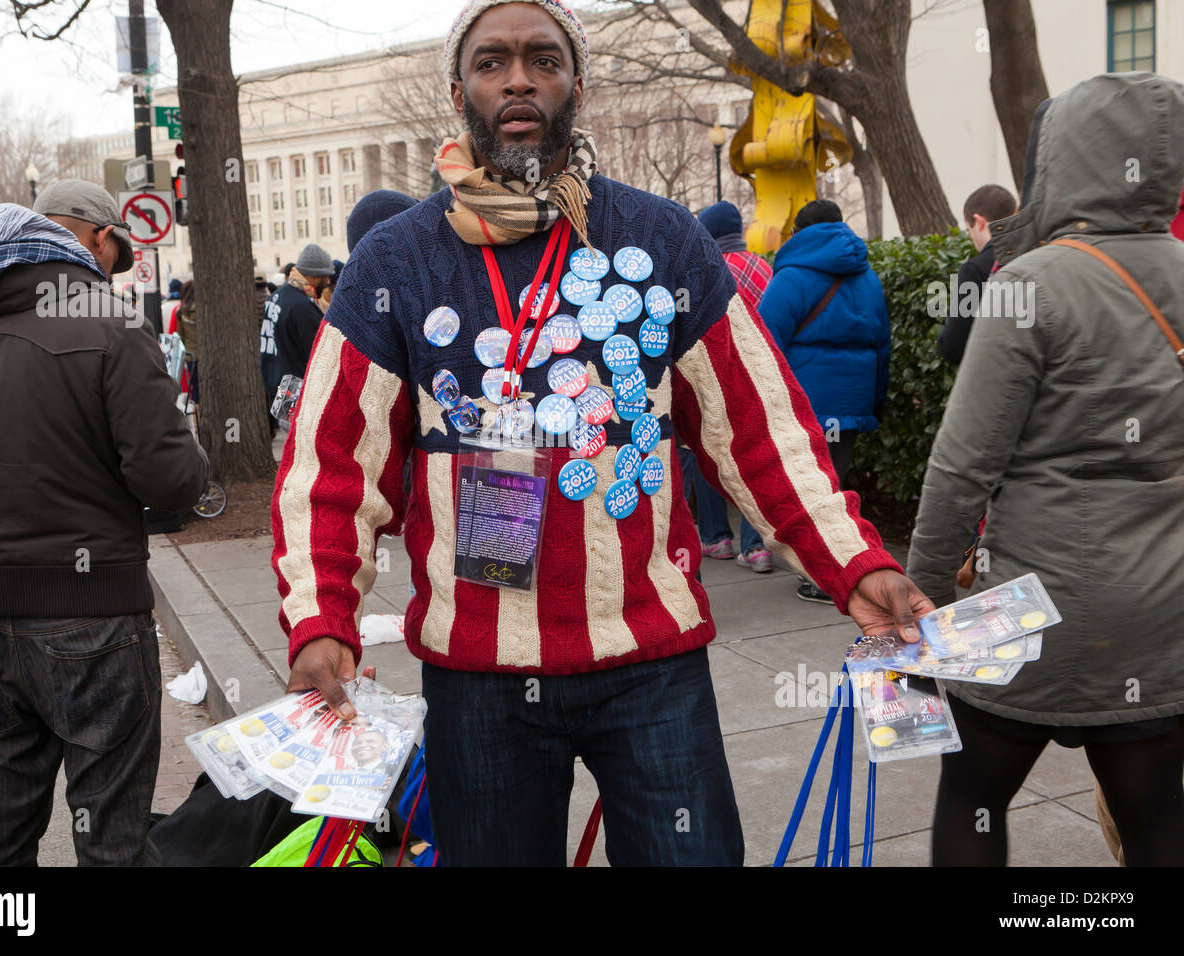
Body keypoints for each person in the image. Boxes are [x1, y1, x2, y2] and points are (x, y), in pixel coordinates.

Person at [272, 0, 931, 867]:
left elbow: (761, 430)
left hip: (649, 663)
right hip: (478, 679)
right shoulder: (395, 262)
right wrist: (321, 617)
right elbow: (329, 465)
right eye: (492, 61)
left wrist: (856, 563)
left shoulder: (662, 240)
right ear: (459, 87)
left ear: (576, 84)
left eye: (543, 59)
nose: (518, 78)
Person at [906, 72, 1184, 867]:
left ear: (1059, 159)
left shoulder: (1029, 286)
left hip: (1026, 610)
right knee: (1157, 817)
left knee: (973, 800)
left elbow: (961, 470)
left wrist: (919, 604)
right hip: (1160, 618)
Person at [0, 181, 208, 865]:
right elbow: (168, 479)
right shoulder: (108, 317)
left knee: (3, 824)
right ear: (94, 240)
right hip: (93, 611)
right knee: (112, 830)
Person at [756, 199, 890, 604]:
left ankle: (823, 577)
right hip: (852, 400)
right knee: (837, 488)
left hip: (805, 401)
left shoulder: (793, 276)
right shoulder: (868, 277)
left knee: (810, 491)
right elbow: (882, 345)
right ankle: (846, 570)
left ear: (798, 233)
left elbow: (765, 342)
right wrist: (875, 402)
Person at [680, 199, 776, 572]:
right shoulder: (765, 267)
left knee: (710, 456)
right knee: (754, 458)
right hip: (758, 378)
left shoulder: (707, 269)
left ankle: (716, 537)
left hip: (716, 379)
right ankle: (757, 547)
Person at [936, 184, 1018, 366]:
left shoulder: (974, 270)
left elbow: (953, 347)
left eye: (969, 230)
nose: (971, 237)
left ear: (978, 222)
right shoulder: (1033, 255)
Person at [270, 243, 335, 386]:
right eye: (326, 276)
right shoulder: (302, 307)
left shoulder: (277, 297)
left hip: (275, 386)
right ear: (316, 276)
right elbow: (320, 357)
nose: (328, 282)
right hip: (296, 391)